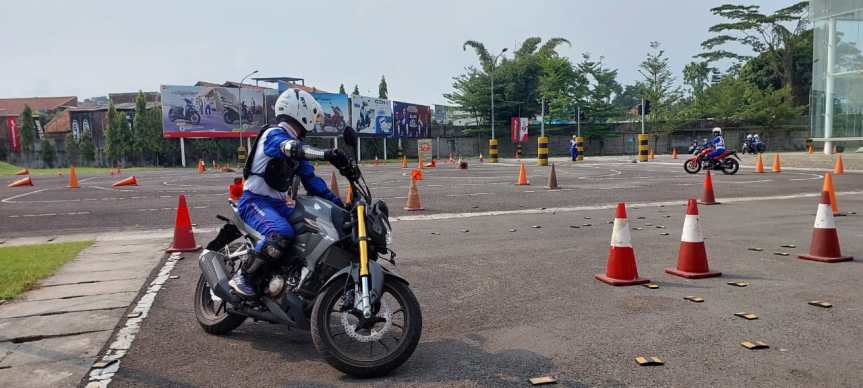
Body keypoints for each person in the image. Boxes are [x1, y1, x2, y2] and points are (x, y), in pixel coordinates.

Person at [229, 88, 351, 297]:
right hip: (254, 202)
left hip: (277, 205)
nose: (313, 121)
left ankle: (292, 281)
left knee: (313, 228)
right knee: (281, 233)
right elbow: (286, 146)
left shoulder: (297, 147)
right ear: (299, 111)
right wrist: (325, 153)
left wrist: (340, 206)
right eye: (312, 115)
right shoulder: (273, 135)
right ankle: (244, 276)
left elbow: (313, 183)